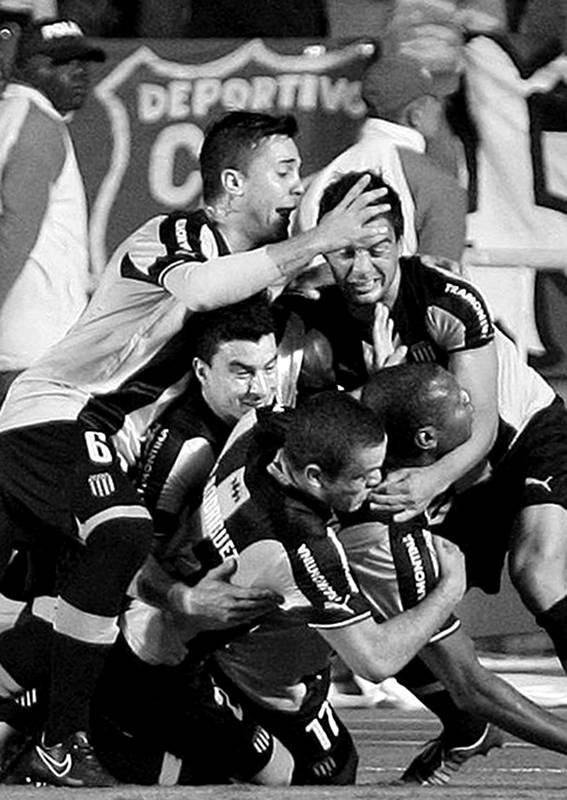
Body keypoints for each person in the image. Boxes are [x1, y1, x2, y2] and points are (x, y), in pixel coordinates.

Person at [0, 110, 388, 787]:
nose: (297, 187)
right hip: (60, 411)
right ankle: (61, 742)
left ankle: (29, 727)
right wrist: (321, 236)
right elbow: (203, 287)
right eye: (285, 171)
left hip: (105, 437)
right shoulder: (177, 233)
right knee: (121, 539)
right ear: (232, 182)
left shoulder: (257, 276)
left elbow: (280, 295)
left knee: (60, 599)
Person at [279, 171, 567, 727]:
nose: (361, 270)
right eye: (343, 253)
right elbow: (336, 431)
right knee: (378, 583)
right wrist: (375, 388)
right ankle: (464, 724)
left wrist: (430, 484)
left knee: (538, 571)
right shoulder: (313, 318)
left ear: (402, 244)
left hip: (519, 441)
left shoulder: (448, 303)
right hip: (436, 469)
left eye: (377, 250)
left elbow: (480, 428)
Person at [88, 390, 466, 785]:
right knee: (278, 777)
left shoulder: (259, 426)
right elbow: (375, 661)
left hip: (164, 630)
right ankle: (98, 757)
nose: (377, 483)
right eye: (362, 476)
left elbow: (318, 416)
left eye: (379, 467)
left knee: (327, 767)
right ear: (314, 476)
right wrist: (449, 590)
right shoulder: (300, 545)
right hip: (163, 673)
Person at [341, 363, 567, 784]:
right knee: (316, 772)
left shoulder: (355, 437)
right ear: (426, 439)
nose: (477, 402)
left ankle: (467, 729)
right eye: (464, 401)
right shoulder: (388, 535)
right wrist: (447, 590)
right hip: (251, 625)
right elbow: (472, 687)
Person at [0, 19, 106, 404]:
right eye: (61, 63)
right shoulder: (36, 124)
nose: (78, 73)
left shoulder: (15, 118)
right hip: (29, 353)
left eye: (82, 62)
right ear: (26, 68)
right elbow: (14, 231)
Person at [296, 53, 468, 266]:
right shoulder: (438, 185)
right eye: (436, 100)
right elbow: (441, 285)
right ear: (416, 113)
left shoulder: (321, 179)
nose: (442, 108)